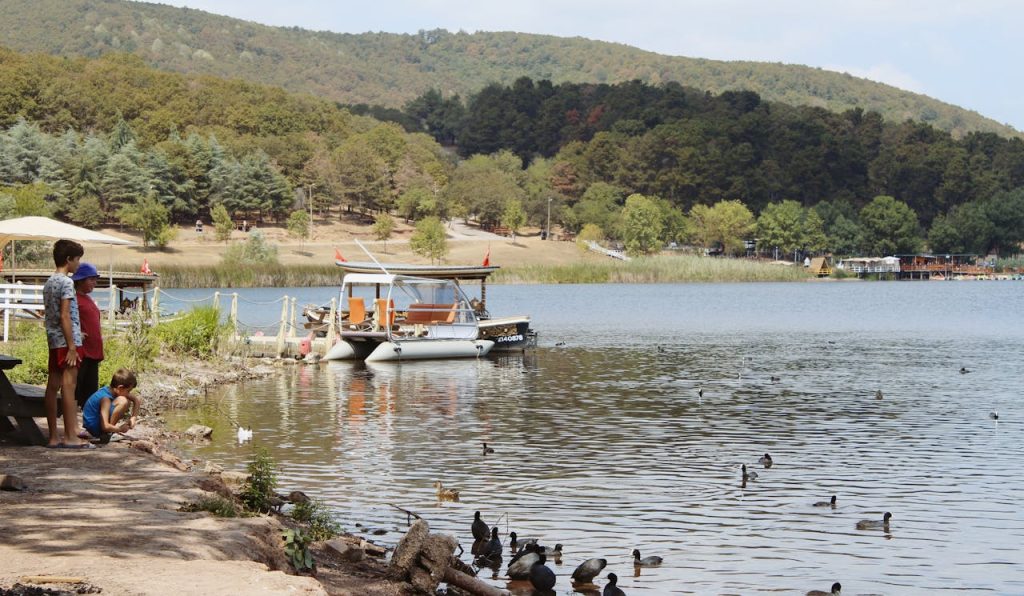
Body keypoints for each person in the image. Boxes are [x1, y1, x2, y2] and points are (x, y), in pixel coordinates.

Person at [43, 239, 91, 448]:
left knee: (52, 387)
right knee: (69, 388)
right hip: (67, 342)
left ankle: (53, 437)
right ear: (68, 259)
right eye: (77, 259)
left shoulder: (49, 282)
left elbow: (53, 316)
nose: (78, 264)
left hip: (54, 340)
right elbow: (64, 316)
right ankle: (70, 437)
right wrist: (72, 345)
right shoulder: (66, 282)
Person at [73, 262, 104, 409]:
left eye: (95, 279)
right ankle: (71, 420)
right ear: (80, 280)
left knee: (91, 390)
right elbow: (65, 319)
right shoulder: (73, 299)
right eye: (91, 279)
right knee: (76, 388)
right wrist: (76, 333)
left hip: (93, 352)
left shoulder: (87, 298)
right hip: (82, 351)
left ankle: (87, 423)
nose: (94, 283)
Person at [81, 369, 141, 442]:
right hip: (95, 428)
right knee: (123, 401)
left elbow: (136, 400)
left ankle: (109, 431)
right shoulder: (106, 399)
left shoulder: (110, 390)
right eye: (128, 391)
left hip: (96, 424)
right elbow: (105, 426)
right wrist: (120, 429)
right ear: (120, 388)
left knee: (127, 400)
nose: (129, 393)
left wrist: (133, 418)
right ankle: (107, 434)